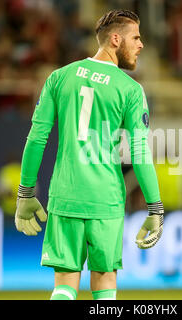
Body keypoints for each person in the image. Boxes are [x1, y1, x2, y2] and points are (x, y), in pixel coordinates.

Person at [14, 9, 164, 301]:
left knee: (65, 284)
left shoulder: (59, 78)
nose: (141, 44)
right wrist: (155, 208)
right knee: (104, 282)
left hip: (66, 195)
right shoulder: (131, 90)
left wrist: (25, 193)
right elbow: (139, 151)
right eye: (136, 37)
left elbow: (37, 138)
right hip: (105, 201)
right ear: (116, 39)